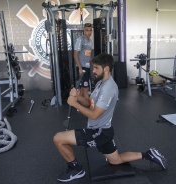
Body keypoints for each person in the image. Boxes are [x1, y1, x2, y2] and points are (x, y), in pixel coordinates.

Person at [53, 53, 167, 182]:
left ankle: (76, 169)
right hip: (104, 131)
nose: (93, 71)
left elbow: (95, 114)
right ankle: (148, 154)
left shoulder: (109, 88)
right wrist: (78, 97)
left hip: (98, 132)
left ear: (106, 68)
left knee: (58, 138)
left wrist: (74, 104)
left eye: (96, 68)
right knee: (116, 160)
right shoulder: (101, 83)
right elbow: (90, 103)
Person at [73, 23, 93, 99]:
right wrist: (80, 68)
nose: (89, 32)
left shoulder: (90, 41)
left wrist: (93, 63)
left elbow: (88, 55)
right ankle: (88, 106)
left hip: (87, 67)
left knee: (82, 88)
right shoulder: (80, 40)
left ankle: (80, 105)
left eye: (90, 30)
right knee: (85, 88)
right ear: (84, 31)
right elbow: (75, 55)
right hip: (81, 67)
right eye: (87, 30)